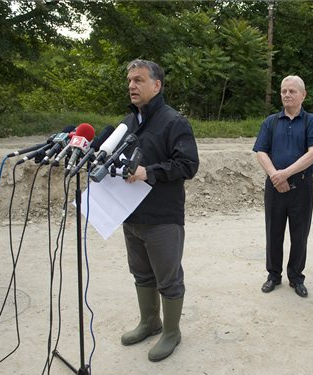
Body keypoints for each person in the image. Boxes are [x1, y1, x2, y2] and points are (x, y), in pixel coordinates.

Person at [118, 59, 199, 362]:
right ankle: (150, 322)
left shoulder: (174, 121)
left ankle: (171, 332)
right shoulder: (128, 122)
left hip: (163, 217)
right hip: (130, 214)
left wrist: (147, 171)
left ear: (157, 85)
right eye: (129, 80)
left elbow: (188, 165)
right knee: (141, 273)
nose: (132, 85)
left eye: (138, 80)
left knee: (168, 278)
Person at [253, 75, 313, 298]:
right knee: (273, 231)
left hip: (302, 187)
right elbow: (261, 151)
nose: (287, 94)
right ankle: (273, 275)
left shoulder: (311, 121)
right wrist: (275, 175)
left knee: (299, 233)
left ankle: (296, 277)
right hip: (274, 186)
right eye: (284, 91)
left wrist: (285, 173)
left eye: (292, 91)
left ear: (303, 95)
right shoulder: (271, 122)